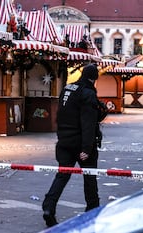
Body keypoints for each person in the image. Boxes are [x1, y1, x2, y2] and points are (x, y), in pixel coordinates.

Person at [42, 64, 107, 227]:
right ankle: (92, 210)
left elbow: (61, 114)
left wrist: (61, 136)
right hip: (80, 142)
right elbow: (88, 122)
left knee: (62, 174)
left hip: (64, 141)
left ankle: (48, 207)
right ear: (94, 78)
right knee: (89, 175)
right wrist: (86, 148)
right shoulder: (88, 93)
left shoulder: (68, 88)